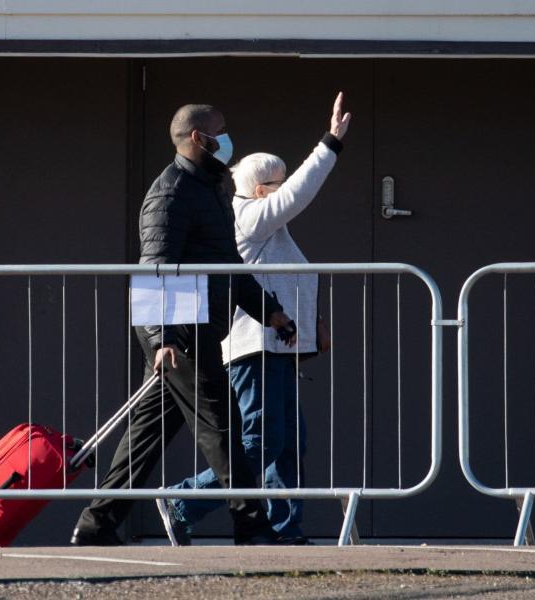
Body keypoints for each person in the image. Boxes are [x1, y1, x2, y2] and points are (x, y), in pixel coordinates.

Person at [70, 103, 297, 546]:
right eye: (221, 131)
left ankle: (96, 524)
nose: (228, 139)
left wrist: (269, 310)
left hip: (191, 325)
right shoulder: (171, 193)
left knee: (147, 434)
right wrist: (163, 338)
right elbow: (156, 267)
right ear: (198, 137)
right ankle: (252, 523)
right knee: (222, 423)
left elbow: (228, 263)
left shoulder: (208, 189)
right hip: (181, 326)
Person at [157, 93, 351, 545]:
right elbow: (301, 193)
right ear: (262, 189)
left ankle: (284, 529)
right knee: (257, 444)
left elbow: (288, 281)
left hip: (280, 350)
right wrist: (330, 143)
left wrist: (314, 324)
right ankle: (182, 499)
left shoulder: (272, 228)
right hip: (253, 351)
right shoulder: (247, 217)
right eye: (279, 182)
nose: (287, 189)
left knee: (288, 448)